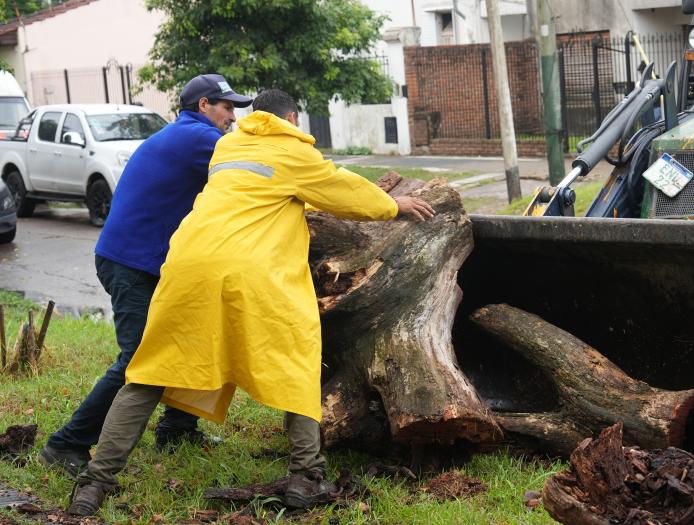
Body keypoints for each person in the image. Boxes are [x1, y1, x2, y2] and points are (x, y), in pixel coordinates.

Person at [66, 88, 435, 517]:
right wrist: (393, 204)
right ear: (292, 119)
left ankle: (94, 484)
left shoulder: (228, 145)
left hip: (187, 266)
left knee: (149, 372)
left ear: (254, 116)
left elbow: (270, 187)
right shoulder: (293, 151)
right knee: (297, 362)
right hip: (252, 275)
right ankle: (307, 476)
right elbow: (339, 188)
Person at [40, 74, 254, 476]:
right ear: (204, 106)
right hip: (131, 265)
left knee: (190, 340)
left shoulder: (187, 135)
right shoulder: (197, 138)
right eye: (227, 107)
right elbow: (258, 165)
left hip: (151, 262)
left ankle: (176, 428)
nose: (233, 117)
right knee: (138, 360)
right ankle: (66, 443)